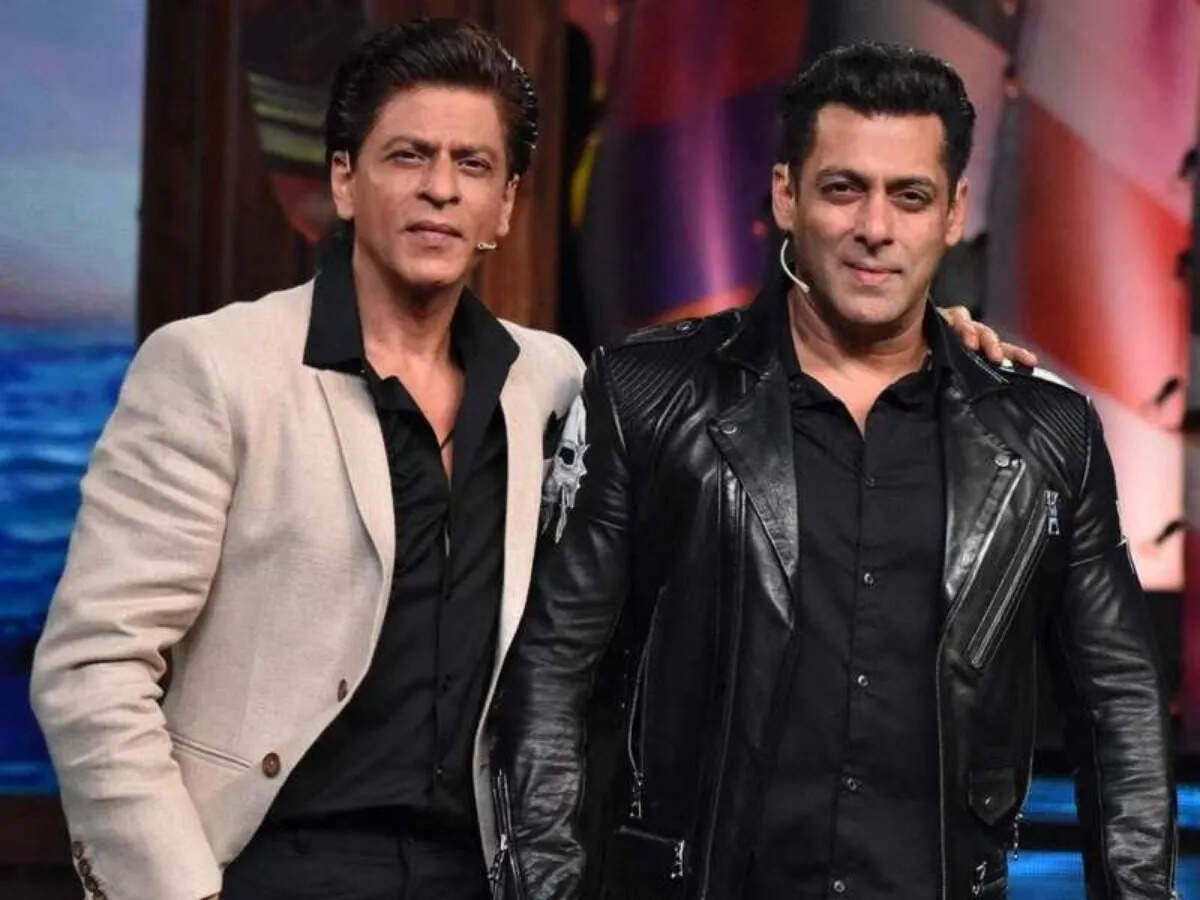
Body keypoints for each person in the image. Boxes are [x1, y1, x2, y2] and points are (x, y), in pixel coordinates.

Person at [487, 42, 1176, 900]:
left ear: (954, 211)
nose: (875, 228)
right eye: (845, 188)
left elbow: (1119, 705)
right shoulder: (649, 396)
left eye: (910, 196)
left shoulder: (1045, 434)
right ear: (787, 195)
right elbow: (552, 676)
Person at [30, 19, 585, 900]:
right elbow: (93, 664)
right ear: (344, 180)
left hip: (475, 874)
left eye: (473, 164)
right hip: (263, 867)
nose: (440, 189)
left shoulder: (550, 380)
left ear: (506, 204)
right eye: (408, 155)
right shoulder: (215, 367)